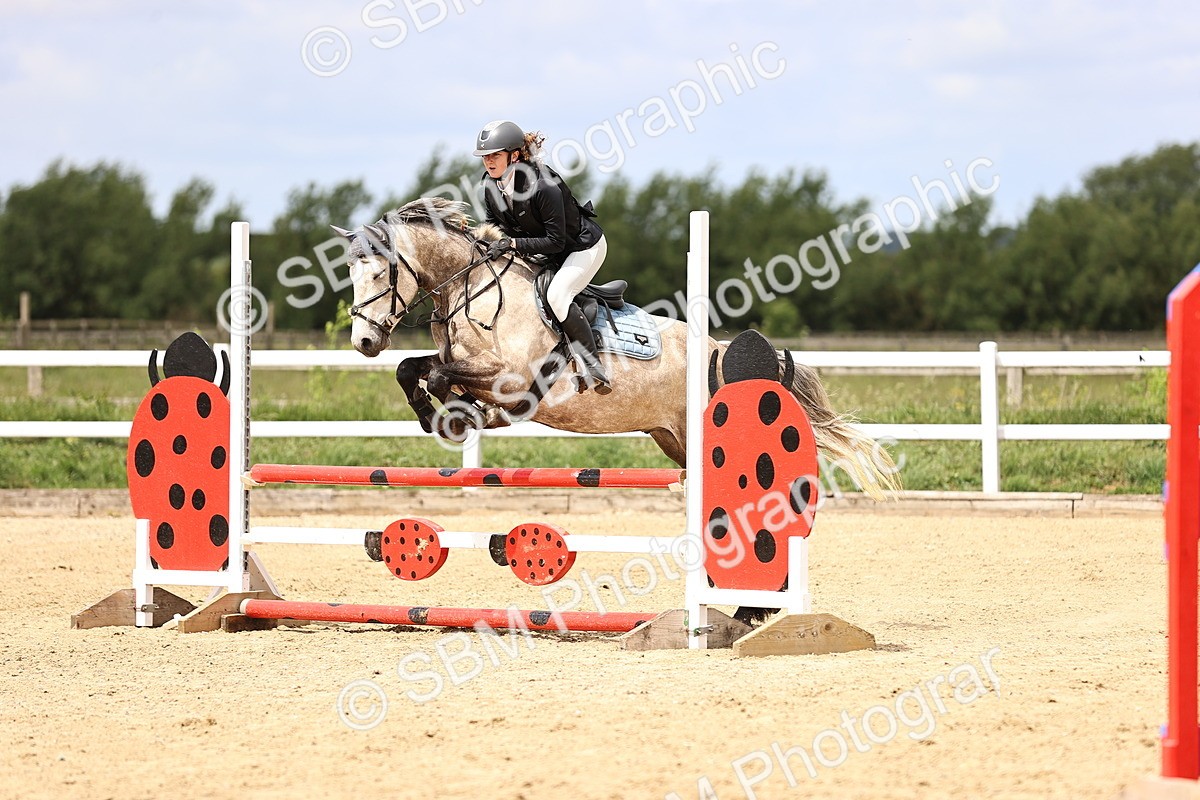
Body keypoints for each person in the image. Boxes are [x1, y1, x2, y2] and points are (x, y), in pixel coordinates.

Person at [474, 119, 611, 394]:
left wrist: (510, 243)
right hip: (543, 249)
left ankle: (593, 366)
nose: (489, 162)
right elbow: (494, 223)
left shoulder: (542, 185)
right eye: (485, 156)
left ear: (514, 155)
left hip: (581, 248)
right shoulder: (490, 185)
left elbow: (555, 240)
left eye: (495, 155)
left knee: (557, 295)